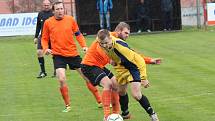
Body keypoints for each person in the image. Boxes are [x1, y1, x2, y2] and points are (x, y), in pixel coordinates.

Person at [97, 29, 159, 121]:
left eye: (106, 43)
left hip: (134, 67)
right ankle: (125, 114)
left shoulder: (120, 47)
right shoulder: (101, 43)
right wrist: (111, 60)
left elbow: (137, 60)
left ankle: (153, 115)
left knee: (136, 95)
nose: (104, 45)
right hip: (121, 68)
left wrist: (144, 78)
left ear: (110, 38)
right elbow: (109, 52)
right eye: (102, 43)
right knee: (121, 91)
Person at [41, 1, 89, 112]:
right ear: (53, 11)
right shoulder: (48, 23)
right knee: (61, 79)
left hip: (73, 54)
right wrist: (46, 49)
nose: (59, 11)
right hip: (58, 56)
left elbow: (78, 34)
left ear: (64, 9)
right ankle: (67, 106)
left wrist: (84, 46)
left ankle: (100, 101)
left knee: (87, 77)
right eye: (57, 9)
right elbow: (44, 38)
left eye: (61, 8)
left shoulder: (71, 20)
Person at [81, 39, 120, 121]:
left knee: (115, 83)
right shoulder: (101, 43)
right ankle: (106, 116)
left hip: (99, 66)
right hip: (89, 66)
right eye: (126, 33)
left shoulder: (114, 39)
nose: (127, 35)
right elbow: (104, 54)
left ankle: (116, 112)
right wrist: (110, 60)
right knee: (108, 84)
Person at [34, 0, 54, 78]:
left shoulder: (53, 14)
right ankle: (43, 72)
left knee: (54, 53)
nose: (46, 6)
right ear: (43, 5)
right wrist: (35, 36)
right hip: (42, 37)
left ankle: (56, 70)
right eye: (45, 5)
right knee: (39, 52)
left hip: (52, 37)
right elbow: (38, 26)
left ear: (50, 5)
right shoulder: (40, 14)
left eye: (47, 5)